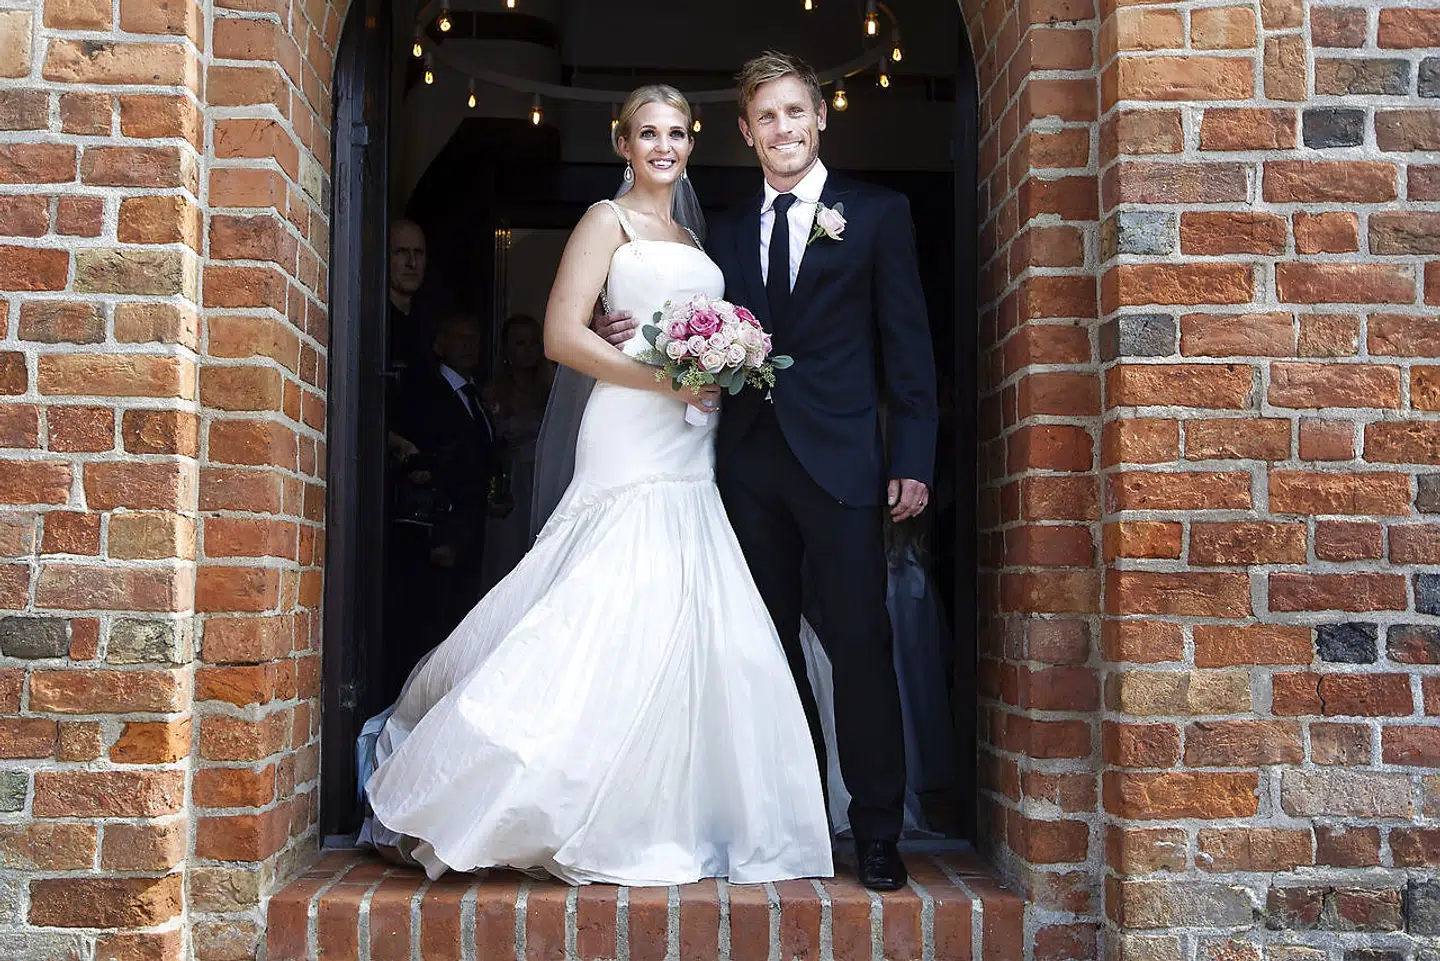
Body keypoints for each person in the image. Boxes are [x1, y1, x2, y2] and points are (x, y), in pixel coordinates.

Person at [360, 84, 833, 887]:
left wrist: (723, 359)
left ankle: (677, 808)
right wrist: (662, 379)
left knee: (685, 598)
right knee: (607, 586)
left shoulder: (694, 233)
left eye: (676, 133)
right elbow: (559, 334)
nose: (663, 146)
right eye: (647, 133)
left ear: (692, 142)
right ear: (622, 143)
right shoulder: (604, 221)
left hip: (691, 438)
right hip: (630, 426)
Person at [591, 51, 938, 891]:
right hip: (744, 463)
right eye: (766, 117)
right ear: (746, 132)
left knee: (859, 643)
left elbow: (908, 345)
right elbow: (678, 318)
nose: (783, 129)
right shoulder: (717, 231)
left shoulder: (877, 214)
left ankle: (877, 827)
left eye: (795, 112)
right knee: (765, 648)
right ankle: (798, 817)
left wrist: (913, 458)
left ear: (819, 118)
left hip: (844, 462)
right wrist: (613, 327)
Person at [384, 312, 499, 691]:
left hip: (471, 529)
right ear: (439, 345)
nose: (469, 346)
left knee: (460, 617)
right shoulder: (426, 394)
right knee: (432, 623)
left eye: (474, 339)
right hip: (439, 532)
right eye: (459, 337)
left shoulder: (475, 396)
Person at [480, 314, 554, 589]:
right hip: (510, 482)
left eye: (534, 342)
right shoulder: (493, 391)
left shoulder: (552, 389)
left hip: (544, 478)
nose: (529, 349)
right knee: (507, 549)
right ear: (507, 349)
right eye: (520, 343)